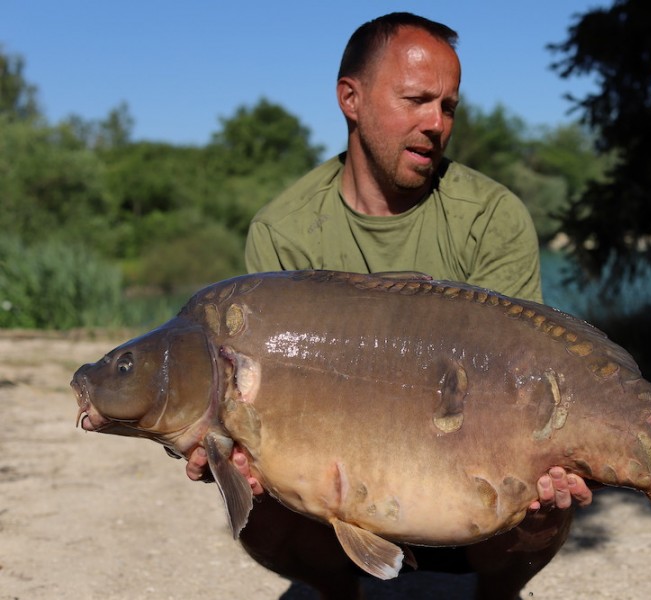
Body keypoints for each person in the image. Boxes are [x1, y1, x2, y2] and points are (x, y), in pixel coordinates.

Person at [186, 12, 594, 599]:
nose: (436, 123)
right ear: (350, 99)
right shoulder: (285, 230)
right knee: (252, 486)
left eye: (448, 106)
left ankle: (491, 592)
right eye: (416, 99)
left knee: (544, 497)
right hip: (338, 489)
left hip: (466, 477)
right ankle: (340, 589)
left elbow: (524, 369)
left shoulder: (490, 215)